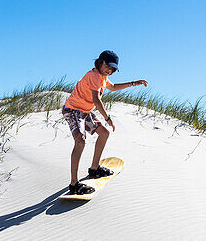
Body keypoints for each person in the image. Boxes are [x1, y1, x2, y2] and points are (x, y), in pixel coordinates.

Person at [62, 50, 148, 195]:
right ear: (100, 62)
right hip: (73, 110)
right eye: (108, 66)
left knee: (104, 133)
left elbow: (113, 87)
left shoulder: (102, 77)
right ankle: (74, 184)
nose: (110, 70)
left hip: (84, 111)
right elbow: (97, 100)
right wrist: (107, 118)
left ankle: (94, 169)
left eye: (113, 69)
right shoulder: (95, 75)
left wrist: (133, 83)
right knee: (80, 142)